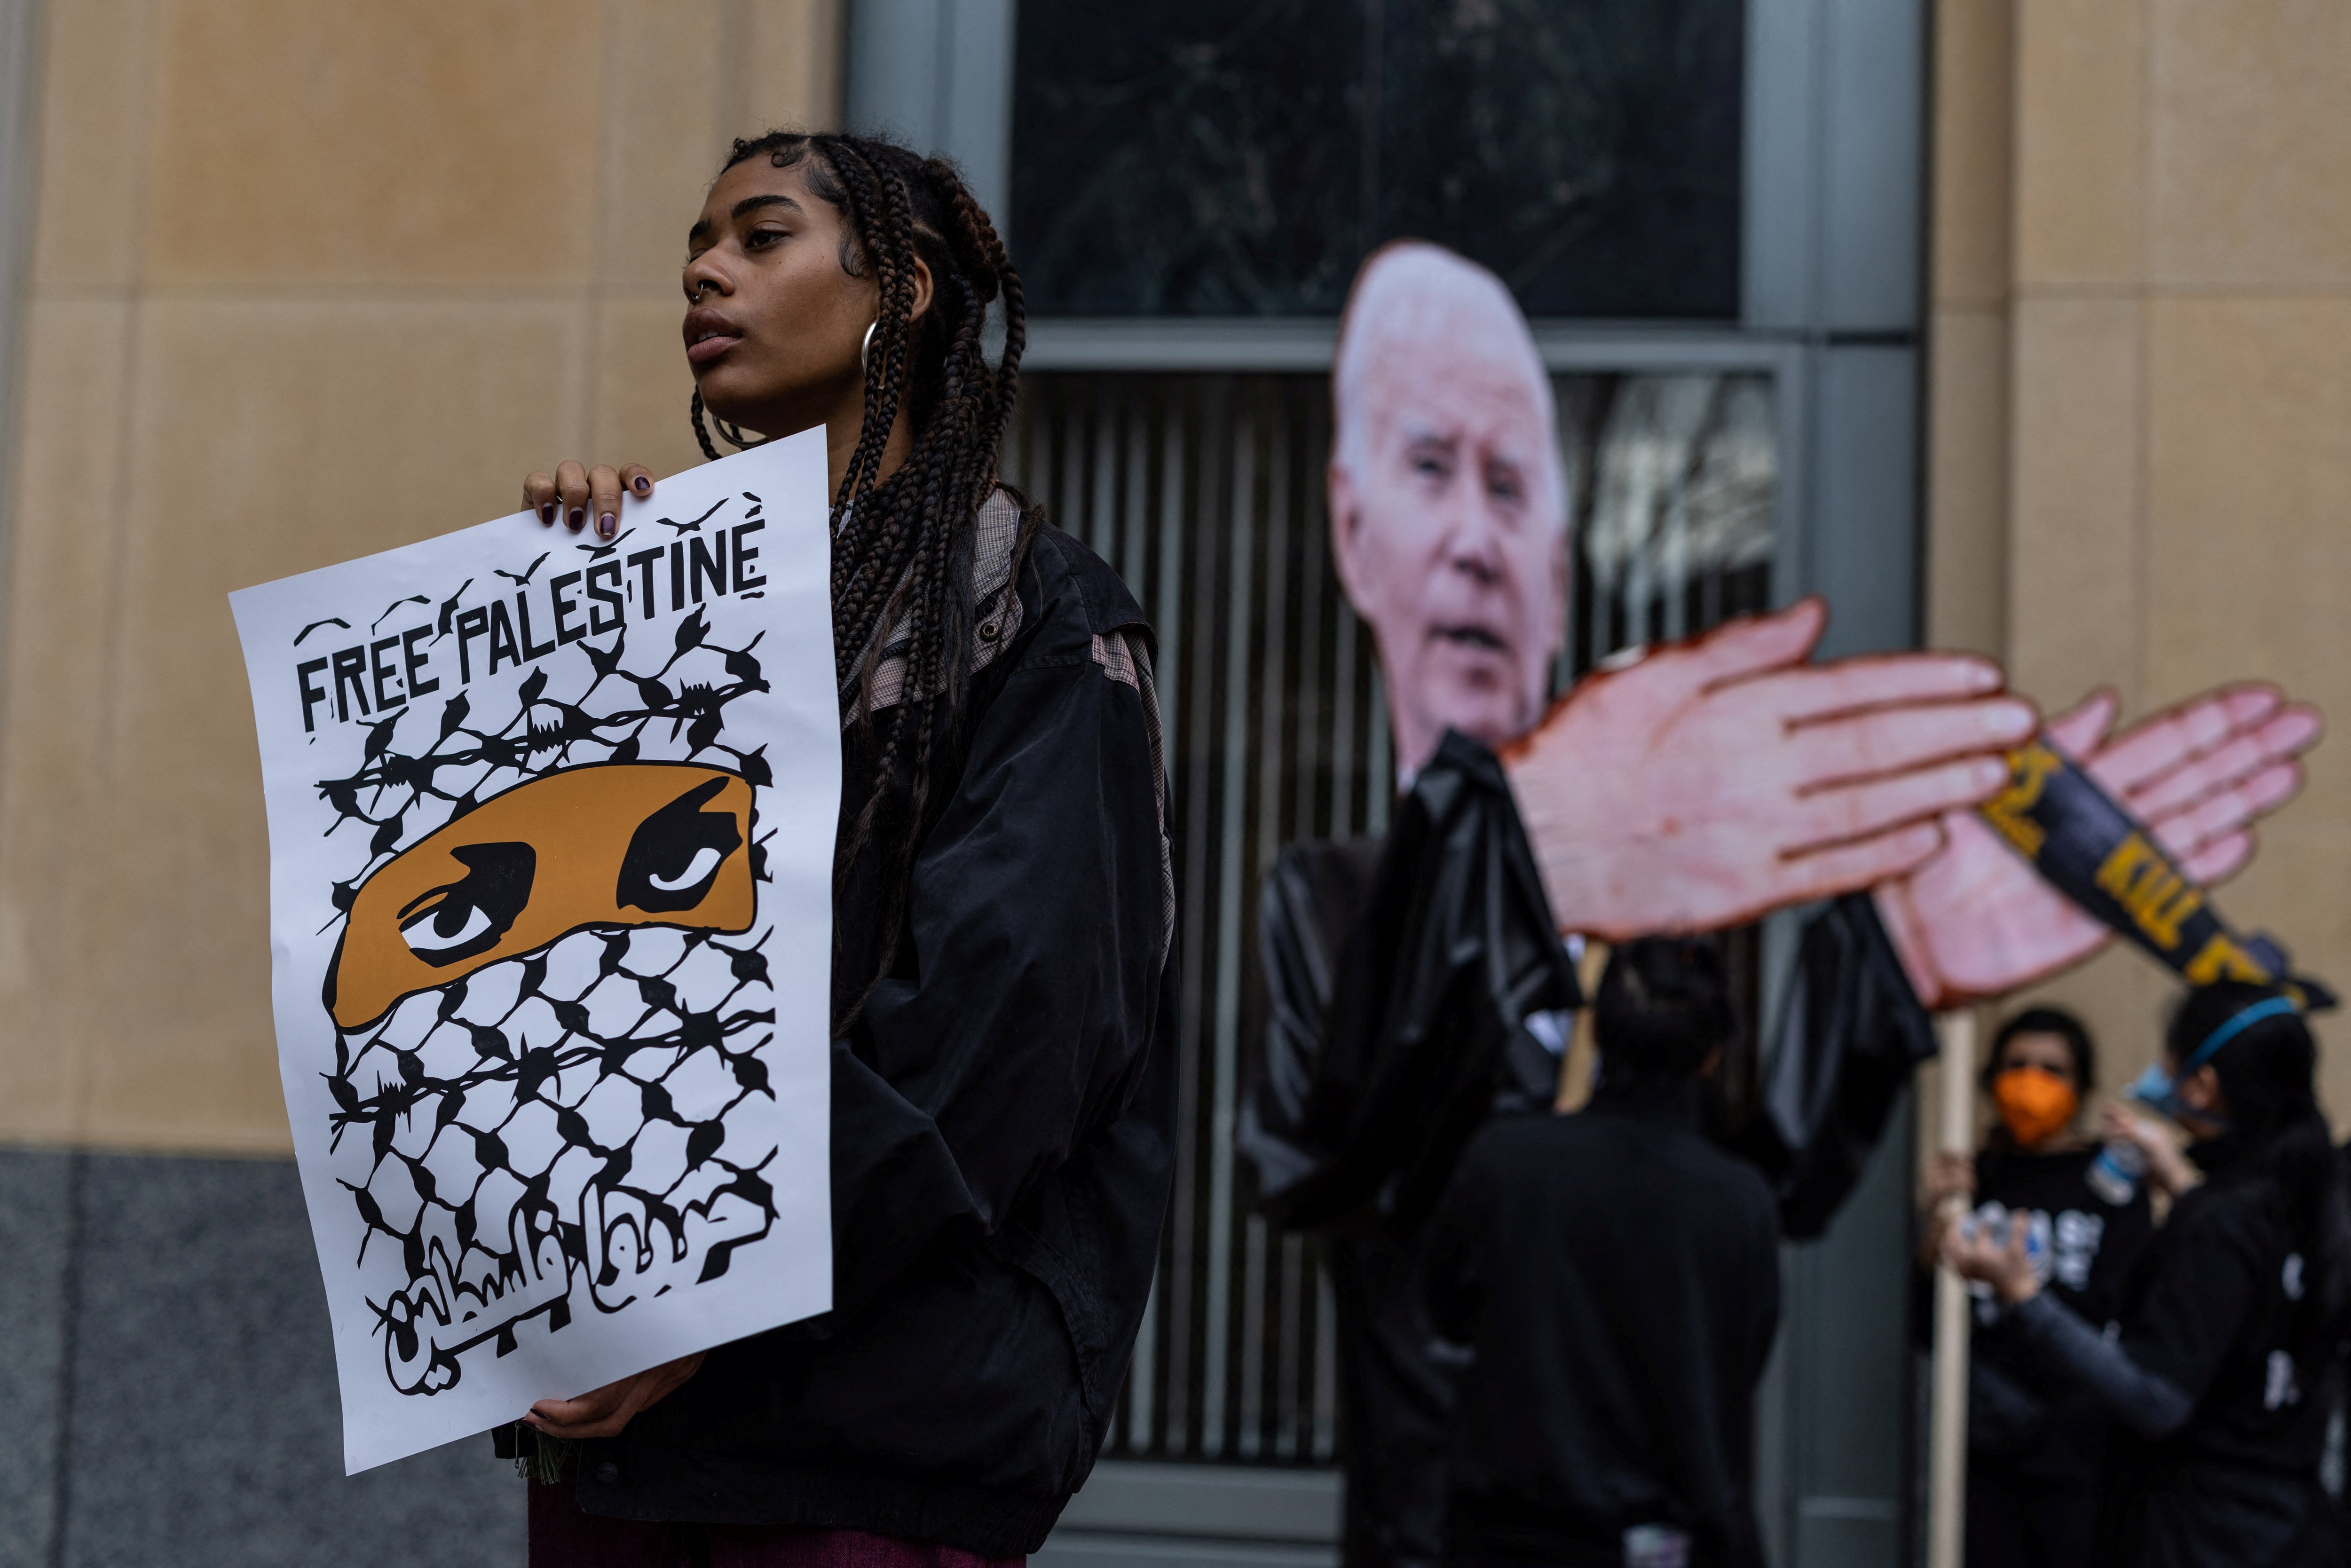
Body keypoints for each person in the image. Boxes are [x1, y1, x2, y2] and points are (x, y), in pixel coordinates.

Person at [1242, 240, 2322, 1568]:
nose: (1474, 539)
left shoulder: (1690, 951)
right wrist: (1522, 840)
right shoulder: (1330, 901)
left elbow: (1749, 1194)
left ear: (1559, 562)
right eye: (1428, 467)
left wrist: (1891, 964)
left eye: (1512, 483)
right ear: (1352, 526)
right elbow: (1341, 1164)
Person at [509, 131, 1178, 1566]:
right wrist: (561, 635)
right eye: (698, 240)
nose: (703, 267)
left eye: (761, 238)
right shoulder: (651, 607)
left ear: (909, 291)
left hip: (864, 1447)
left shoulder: (1028, 615)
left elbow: (1004, 1031)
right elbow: (551, 973)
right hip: (635, 1441)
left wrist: (710, 1290)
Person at [1946, 984, 2351, 1567]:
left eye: (2170, 1059)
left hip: (2199, 1529)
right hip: (2282, 1522)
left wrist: (2024, 1297)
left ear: (2203, 1084)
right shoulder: (2301, 1195)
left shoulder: (2223, 1218)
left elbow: (2155, 1398)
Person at [1424, 937, 1778, 1568]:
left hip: (1505, 1536)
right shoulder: (1739, 1201)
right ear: (1712, 1055)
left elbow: (1445, 1309)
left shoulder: (1506, 1162)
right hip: (1656, 1541)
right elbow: (1740, 1358)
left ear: (1600, 1028)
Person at [1918, 1007, 2162, 1567]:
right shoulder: (1974, 1179)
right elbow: (1923, 1319)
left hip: (2078, 1450)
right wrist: (1934, 1222)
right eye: (2016, 1064)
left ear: (2079, 1087)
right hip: (1982, 1446)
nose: (2031, 1081)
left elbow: (2124, 1307)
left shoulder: (2111, 1184)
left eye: (2052, 1069)